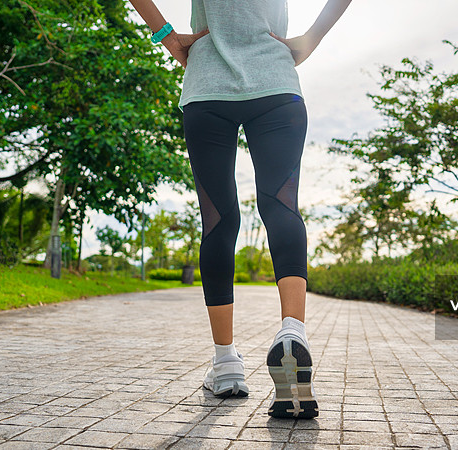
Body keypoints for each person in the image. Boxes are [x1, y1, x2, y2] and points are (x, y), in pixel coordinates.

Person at [129, 0, 352, 419]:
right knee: (281, 206)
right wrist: (313, 37)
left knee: (219, 221)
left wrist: (166, 36)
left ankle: (227, 363)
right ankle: (292, 332)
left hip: (208, 85)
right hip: (276, 80)